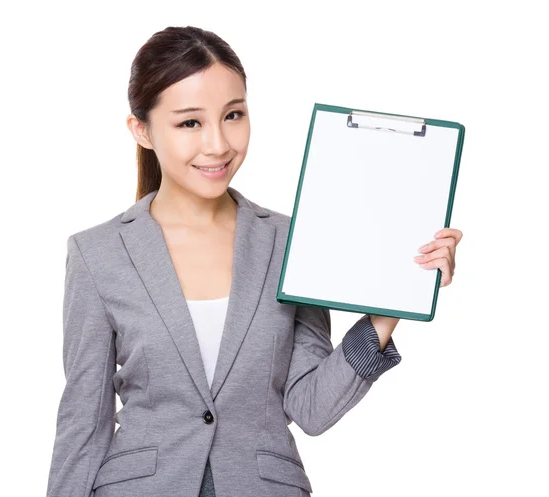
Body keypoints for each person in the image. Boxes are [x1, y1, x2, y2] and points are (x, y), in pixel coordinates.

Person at [45, 25, 462, 497]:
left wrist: (391, 306)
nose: (218, 144)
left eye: (234, 115)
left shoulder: (291, 241)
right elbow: (83, 421)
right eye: (190, 123)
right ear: (141, 130)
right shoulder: (97, 254)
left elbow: (310, 408)